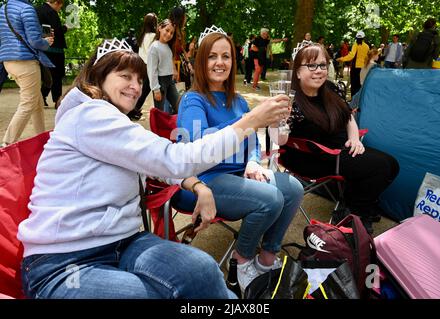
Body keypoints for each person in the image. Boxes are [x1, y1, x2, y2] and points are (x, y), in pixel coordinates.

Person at [16, 38, 290, 299]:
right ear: (98, 75)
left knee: (202, 271)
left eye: (139, 80)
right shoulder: (89, 116)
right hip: (64, 263)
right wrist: (249, 122)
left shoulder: (116, 123)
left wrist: (197, 185)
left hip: (125, 243)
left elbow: (162, 166)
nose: (135, 86)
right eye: (125, 76)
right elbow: (177, 157)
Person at [172, 31, 304, 294]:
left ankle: (267, 256)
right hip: (201, 182)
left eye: (226, 56)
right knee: (271, 198)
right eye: (212, 56)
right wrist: (250, 120)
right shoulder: (193, 99)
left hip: (237, 174)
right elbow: (195, 148)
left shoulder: (239, 100)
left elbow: (253, 141)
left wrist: (253, 162)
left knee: (293, 189)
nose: (219, 62)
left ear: (234, 61)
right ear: (200, 61)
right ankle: (241, 260)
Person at [279, 43, 399, 234]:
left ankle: (352, 205)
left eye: (322, 65)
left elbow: (348, 116)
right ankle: (355, 214)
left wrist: (355, 139)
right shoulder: (291, 100)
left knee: (392, 164)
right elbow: (280, 141)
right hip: (314, 156)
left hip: (341, 149)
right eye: (311, 66)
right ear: (298, 72)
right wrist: (281, 122)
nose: (319, 71)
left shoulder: (330, 89)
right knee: (380, 167)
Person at [0, 0, 54, 147]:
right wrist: (47, 42)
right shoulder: (26, 9)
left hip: (8, 61)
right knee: (28, 103)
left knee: (36, 101)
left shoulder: (3, 9)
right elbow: (35, 41)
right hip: (25, 62)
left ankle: (41, 137)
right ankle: (7, 143)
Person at [36, 0, 68, 109]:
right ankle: (57, 100)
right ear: (56, 3)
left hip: (42, 47)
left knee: (47, 76)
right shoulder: (51, 12)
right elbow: (56, 30)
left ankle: (41, 97)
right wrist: (66, 27)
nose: (59, 9)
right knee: (57, 75)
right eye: (60, 6)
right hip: (54, 48)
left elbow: (45, 29)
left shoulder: (37, 10)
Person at [128, 12, 158, 121]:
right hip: (150, 66)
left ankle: (133, 110)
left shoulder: (142, 36)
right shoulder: (154, 37)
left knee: (142, 91)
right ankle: (133, 110)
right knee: (145, 91)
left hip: (141, 66)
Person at [148, 19, 179, 114]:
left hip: (170, 81)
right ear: (160, 28)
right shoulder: (154, 47)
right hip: (160, 82)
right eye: (167, 30)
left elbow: (169, 61)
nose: (169, 34)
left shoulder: (167, 46)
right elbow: (151, 69)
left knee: (178, 105)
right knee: (160, 111)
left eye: (172, 33)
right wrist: (156, 89)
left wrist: (173, 72)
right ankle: (158, 129)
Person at [337, 31, 370, 98]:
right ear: (363, 38)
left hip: (355, 68)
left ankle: (353, 101)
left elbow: (351, 56)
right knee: (361, 85)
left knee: (354, 85)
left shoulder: (355, 44)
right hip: (363, 68)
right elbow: (367, 57)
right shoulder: (367, 46)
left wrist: (341, 59)